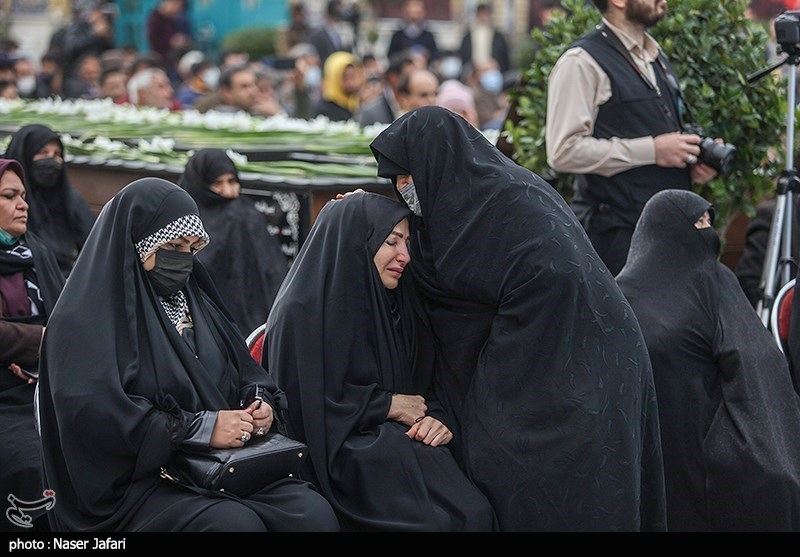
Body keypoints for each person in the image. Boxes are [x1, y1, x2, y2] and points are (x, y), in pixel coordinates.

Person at [368, 105, 666, 531]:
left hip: (572, 367)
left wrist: (461, 411)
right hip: (556, 357)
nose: (402, 188)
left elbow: (548, 282)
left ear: (437, 163)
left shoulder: (508, 203)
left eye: (406, 175)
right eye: (395, 179)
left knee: (535, 478)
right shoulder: (463, 206)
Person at [36, 177, 339, 532]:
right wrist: (200, 429)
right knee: (232, 526)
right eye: (173, 246)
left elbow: (244, 370)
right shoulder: (85, 320)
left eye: (192, 248)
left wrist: (258, 403)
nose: (183, 260)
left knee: (311, 513)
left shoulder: (196, 301)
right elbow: (94, 414)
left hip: (219, 463)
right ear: (134, 243)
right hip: (132, 484)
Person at [265, 191, 497, 532]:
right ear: (358, 242)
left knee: (475, 510)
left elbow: (425, 386)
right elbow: (301, 409)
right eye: (391, 241)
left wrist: (437, 418)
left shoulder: (394, 304)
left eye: (407, 243)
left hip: (395, 443)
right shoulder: (303, 313)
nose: (404, 256)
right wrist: (384, 405)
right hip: (341, 454)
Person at [615, 189, 800, 531]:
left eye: (708, 222)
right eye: (697, 221)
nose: (707, 231)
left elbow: (753, 361)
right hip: (652, 447)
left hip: (690, 446)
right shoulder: (620, 295)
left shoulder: (712, 282)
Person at [545, 0, 719, 275]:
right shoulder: (581, 61)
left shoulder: (656, 57)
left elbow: (648, 130)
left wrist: (690, 163)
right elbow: (563, 151)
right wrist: (653, 150)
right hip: (616, 241)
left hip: (668, 236)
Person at [0, 158, 65, 532]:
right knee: (33, 464)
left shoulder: (35, 252)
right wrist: (36, 341)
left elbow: (64, 316)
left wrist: (49, 354)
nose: (23, 204)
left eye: (23, 196)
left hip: (47, 387)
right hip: (6, 400)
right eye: (10, 196)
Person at [178, 149, 289, 338]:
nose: (228, 191)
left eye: (232, 181)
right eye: (217, 183)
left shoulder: (243, 214)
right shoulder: (184, 218)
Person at [3, 124, 95, 278]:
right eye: (43, 152)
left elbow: (94, 247)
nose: (52, 160)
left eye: (57, 154)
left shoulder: (70, 200)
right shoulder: (9, 201)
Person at [458, 3, 511, 74]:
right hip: (472, 68)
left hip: (492, 69)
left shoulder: (498, 36)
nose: (484, 17)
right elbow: (463, 54)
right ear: (477, 15)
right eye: (482, 14)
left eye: (487, 14)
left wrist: (492, 65)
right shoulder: (468, 34)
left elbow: (503, 58)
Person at [313, 51, 363, 122]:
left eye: (354, 76)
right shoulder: (324, 111)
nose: (351, 83)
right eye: (346, 77)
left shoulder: (355, 105)